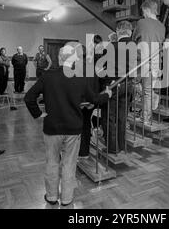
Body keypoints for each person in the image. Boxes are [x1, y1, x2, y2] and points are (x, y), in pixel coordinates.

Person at [24, 44, 111, 206]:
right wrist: (107, 94)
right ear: (74, 59)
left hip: (51, 128)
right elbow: (95, 100)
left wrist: (38, 114)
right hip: (73, 129)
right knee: (69, 165)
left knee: (51, 163)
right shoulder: (80, 78)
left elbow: (29, 97)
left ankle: (51, 197)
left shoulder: (47, 76)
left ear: (59, 58)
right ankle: (66, 199)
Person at [100, 21, 134, 154]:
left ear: (118, 31)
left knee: (109, 117)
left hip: (113, 84)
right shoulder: (135, 46)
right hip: (129, 84)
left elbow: (101, 68)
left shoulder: (110, 46)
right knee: (122, 117)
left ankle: (112, 148)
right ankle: (121, 145)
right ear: (129, 32)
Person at [132, 0, 165, 125]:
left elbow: (134, 38)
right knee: (147, 91)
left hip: (142, 60)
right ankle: (146, 119)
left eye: (143, 11)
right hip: (156, 61)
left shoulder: (141, 22)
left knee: (132, 83)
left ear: (146, 10)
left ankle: (146, 108)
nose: (143, 14)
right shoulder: (161, 26)